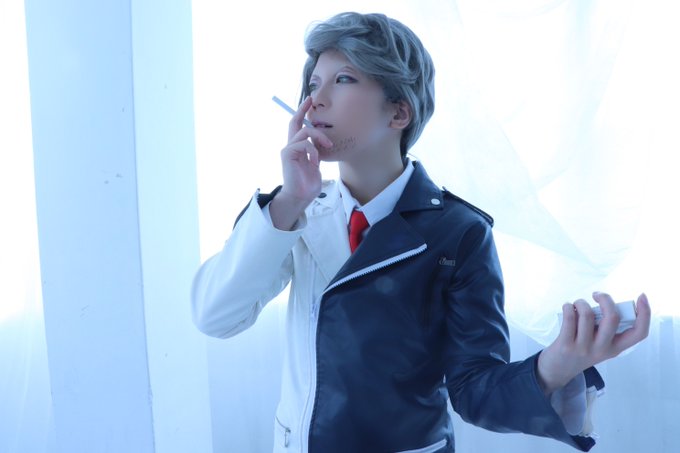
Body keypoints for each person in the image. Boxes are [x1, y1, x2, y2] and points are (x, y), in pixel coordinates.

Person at [191, 11, 651, 453]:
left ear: (399, 113)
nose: (316, 100)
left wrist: (553, 368)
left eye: (343, 80)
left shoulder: (460, 232)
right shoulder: (291, 212)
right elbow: (215, 316)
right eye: (313, 84)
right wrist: (292, 200)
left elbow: (474, 388)